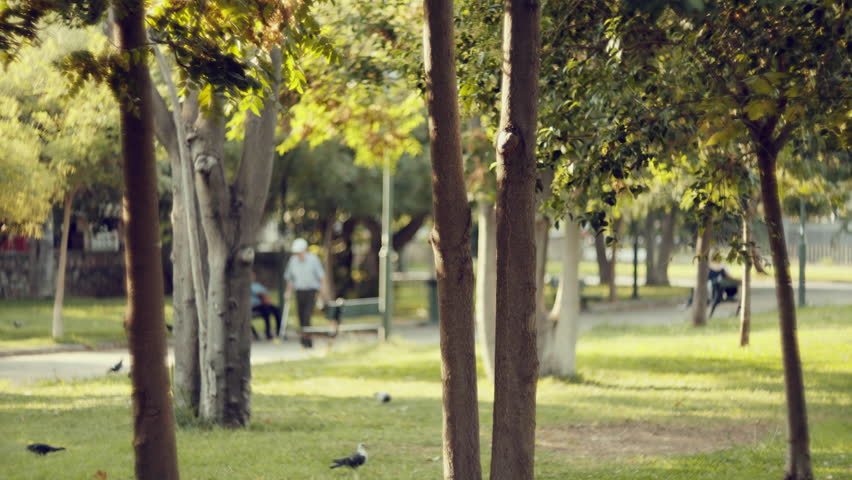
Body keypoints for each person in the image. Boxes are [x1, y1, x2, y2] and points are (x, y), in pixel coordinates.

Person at [284, 238, 325, 348]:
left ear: (305, 250)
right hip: (299, 291)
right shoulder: (293, 261)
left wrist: (321, 294)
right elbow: (290, 278)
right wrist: (288, 292)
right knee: (301, 316)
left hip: (311, 291)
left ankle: (308, 342)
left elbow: (321, 277)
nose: (298, 254)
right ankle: (304, 341)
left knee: (307, 316)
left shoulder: (313, 259)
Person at [251, 272, 282, 340]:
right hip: (254, 306)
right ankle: (268, 333)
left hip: (264, 305)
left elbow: (266, 294)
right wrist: (265, 299)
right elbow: (261, 294)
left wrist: (267, 300)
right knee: (266, 310)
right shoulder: (247, 286)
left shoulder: (258, 285)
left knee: (277, 309)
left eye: (253, 276)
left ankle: (279, 332)